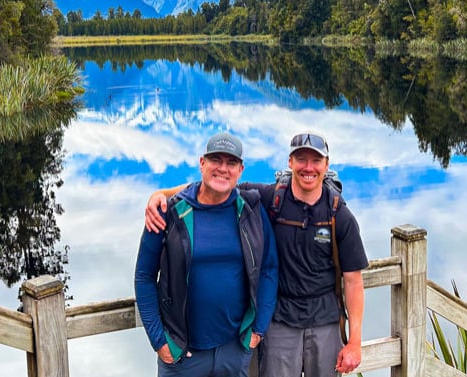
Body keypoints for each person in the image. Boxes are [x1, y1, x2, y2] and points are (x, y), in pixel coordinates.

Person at [145, 131, 368, 377]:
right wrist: (163, 195)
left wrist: (355, 342)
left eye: (316, 160)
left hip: (325, 320)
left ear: (326, 165)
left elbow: (353, 281)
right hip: (281, 321)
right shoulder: (270, 198)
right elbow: (215, 184)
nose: (308, 167)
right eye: (301, 159)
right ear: (290, 162)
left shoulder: (340, 215)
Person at [134, 131, 279, 377]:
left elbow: (268, 269)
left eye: (231, 162)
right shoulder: (169, 212)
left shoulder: (250, 210)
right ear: (202, 163)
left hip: (234, 351)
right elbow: (144, 277)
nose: (223, 169)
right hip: (181, 355)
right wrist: (159, 341)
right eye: (216, 160)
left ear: (240, 170)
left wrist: (258, 329)